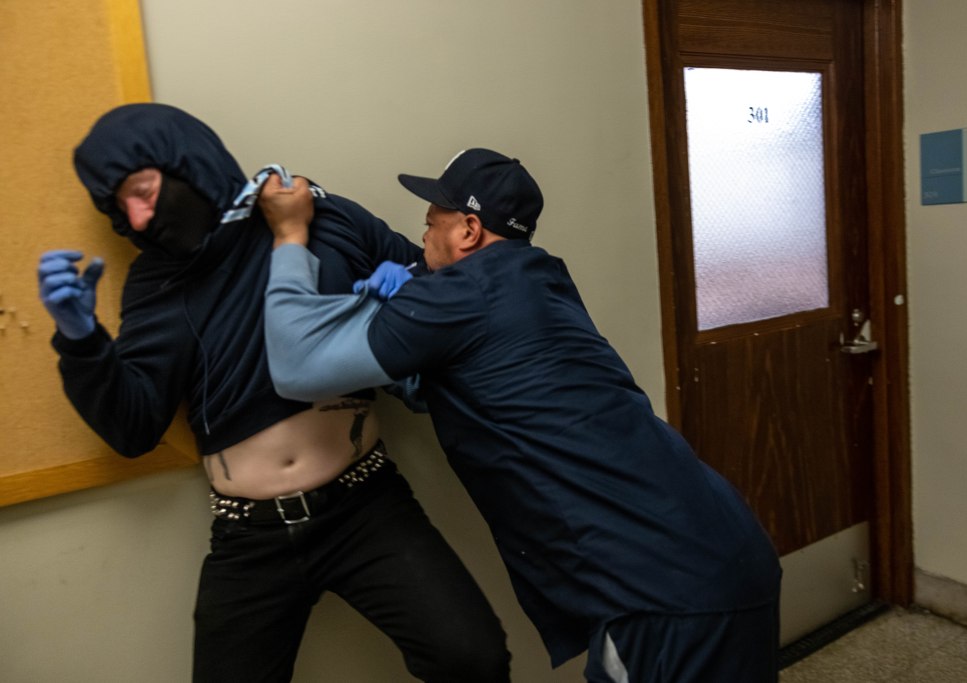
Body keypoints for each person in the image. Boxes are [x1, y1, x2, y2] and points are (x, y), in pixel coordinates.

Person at [258, 148, 784, 682]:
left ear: (467, 230)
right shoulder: (542, 278)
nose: (422, 237)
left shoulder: (461, 296)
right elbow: (482, 386)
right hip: (721, 549)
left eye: (429, 223)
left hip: (663, 593)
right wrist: (403, 347)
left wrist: (289, 237)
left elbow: (296, 369)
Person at [36, 105, 510, 683]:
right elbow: (133, 428)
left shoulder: (318, 216)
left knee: (473, 656)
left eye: (141, 190)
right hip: (249, 533)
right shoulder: (156, 284)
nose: (136, 219)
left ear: (186, 162)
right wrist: (82, 341)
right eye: (117, 208)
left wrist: (411, 290)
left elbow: (447, 293)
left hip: (365, 504)